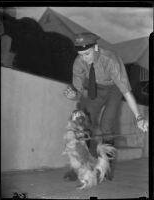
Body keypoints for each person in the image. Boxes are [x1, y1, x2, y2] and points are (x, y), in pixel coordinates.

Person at [63, 32, 148, 181]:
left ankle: (107, 166)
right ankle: (79, 168)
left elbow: (126, 92)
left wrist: (139, 117)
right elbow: (77, 92)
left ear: (95, 47)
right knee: (83, 126)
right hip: (95, 89)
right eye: (81, 54)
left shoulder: (110, 60)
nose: (84, 58)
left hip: (114, 89)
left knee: (106, 126)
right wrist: (72, 95)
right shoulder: (79, 62)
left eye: (87, 54)